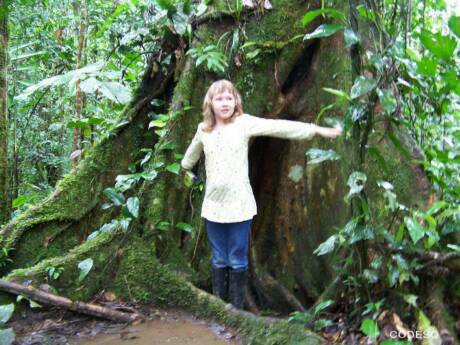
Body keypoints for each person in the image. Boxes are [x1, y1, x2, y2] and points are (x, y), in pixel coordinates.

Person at [181, 79, 341, 309]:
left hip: (239, 204)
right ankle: (217, 307)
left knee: (237, 259)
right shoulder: (203, 130)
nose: (225, 103)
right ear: (210, 103)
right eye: (219, 98)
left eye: (229, 98)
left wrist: (314, 129)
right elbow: (188, 159)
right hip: (213, 205)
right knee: (218, 258)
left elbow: (278, 127)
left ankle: (235, 312)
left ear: (236, 101)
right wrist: (187, 173)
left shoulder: (244, 123)